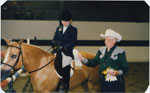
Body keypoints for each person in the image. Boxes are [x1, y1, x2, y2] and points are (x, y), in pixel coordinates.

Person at [52, 10, 77, 92]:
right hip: (58, 51)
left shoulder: (73, 29)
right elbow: (54, 39)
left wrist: (64, 47)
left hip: (67, 52)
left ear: (70, 20)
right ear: (61, 21)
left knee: (65, 65)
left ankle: (66, 84)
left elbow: (73, 42)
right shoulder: (58, 28)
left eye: (67, 21)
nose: (66, 23)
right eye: (64, 21)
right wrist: (53, 43)